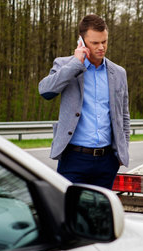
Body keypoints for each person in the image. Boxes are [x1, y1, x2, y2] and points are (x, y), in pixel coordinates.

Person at [38, 14, 130, 189]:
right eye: (95, 43)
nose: (101, 47)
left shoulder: (118, 73)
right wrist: (75, 63)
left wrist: (121, 153)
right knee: (70, 214)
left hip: (107, 161)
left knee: (100, 215)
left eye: (104, 41)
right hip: (73, 159)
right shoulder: (65, 65)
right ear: (82, 41)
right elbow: (45, 91)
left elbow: (124, 116)